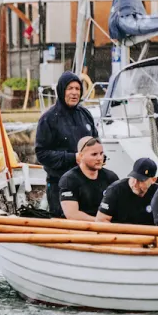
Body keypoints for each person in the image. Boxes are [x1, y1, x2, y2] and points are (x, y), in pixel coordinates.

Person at [35, 71, 98, 213]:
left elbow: (96, 143)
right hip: (60, 184)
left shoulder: (85, 114)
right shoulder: (48, 119)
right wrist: (72, 157)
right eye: (70, 89)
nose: (74, 93)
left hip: (87, 184)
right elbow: (42, 154)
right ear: (61, 90)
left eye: (78, 89)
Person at [57, 137, 119, 221]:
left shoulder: (111, 177)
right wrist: (100, 221)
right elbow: (72, 215)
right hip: (80, 229)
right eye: (94, 154)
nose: (99, 158)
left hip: (106, 226)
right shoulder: (69, 180)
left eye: (101, 154)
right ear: (81, 155)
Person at [98, 157, 158, 226]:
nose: (135, 183)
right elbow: (101, 220)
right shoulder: (115, 190)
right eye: (133, 178)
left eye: (141, 180)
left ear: (153, 180)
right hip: (119, 234)